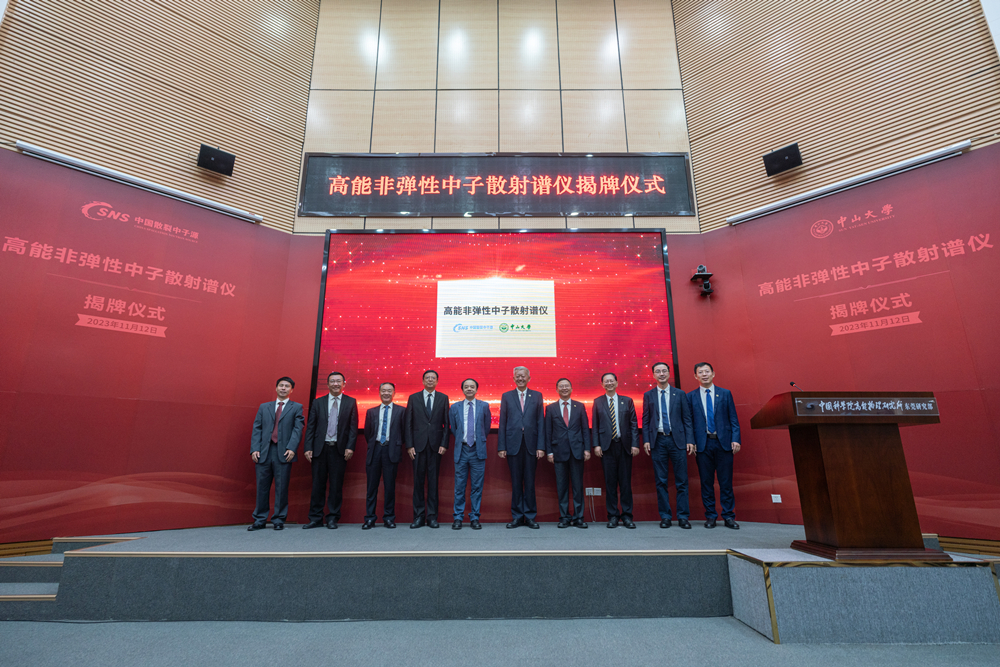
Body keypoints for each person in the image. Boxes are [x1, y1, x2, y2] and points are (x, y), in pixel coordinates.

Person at [688, 362, 742, 529]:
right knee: (706, 482)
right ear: (695, 376)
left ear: (713, 374)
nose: (704, 375)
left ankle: (728, 516)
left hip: (723, 443)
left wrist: (736, 439)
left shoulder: (725, 393)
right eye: (700, 372)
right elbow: (689, 423)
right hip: (703, 444)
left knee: (726, 482)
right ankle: (710, 515)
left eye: (707, 371)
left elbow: (733, 418)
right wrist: (691, 441)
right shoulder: (690, 397)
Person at [642, 362, 695, 529]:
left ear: (669, 373)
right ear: (653, 375)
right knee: (661, 481)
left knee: (682, 481)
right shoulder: (648, 395)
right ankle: (665, 516)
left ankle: (683, 517)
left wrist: (690, 440)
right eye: (658, 371)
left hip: (677, 441)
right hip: (658, 441)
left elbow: (687, 419)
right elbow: (646, 419)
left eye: (664, 371)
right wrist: (646, 440)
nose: (661, 374)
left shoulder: (680, 394)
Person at [302, 371, 358, 530]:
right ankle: (315, 518)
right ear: (327, 384)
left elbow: (353, 428)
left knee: (336, 486)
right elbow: (311, 427)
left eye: (338, 381)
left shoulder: (351, 402)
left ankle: (333, 518)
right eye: (332, 381)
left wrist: (350, 446)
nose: (335, 384)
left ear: (344, 384)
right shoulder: (318, 402)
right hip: (319, 449)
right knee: (317, 485)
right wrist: (308, 447)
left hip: (339, 450)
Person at [249, 377, 304, 531]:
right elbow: (257, 428)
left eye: (287, 386)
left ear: (291, 390)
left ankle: (279, 520)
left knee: (281, 488)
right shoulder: (264, 407)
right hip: (263, 452)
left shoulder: (296, 407)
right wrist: (255, 449)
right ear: (276, 388)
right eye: (281, 385)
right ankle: (259, 520)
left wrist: (292, 448)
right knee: (262, 487)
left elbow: (298, 429)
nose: (283, 388)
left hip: (284, 453)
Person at [497, 366, 546, 529]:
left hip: (532, 445)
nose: (520, 378)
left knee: (530, 482)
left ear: (529, 378)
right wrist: (501, 446)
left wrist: (541, 446)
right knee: (516, 482)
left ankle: (530, 516)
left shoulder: (537, 395)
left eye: (523, 376)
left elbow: (540, 422)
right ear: (513, 379)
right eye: (517, 376)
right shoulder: (506, 396)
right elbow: (503, 422)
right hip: (513, 444)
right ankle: (517, 516)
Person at [591, 372, 641, 529]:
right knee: (610, 483)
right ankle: (612, 516)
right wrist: (596, 445)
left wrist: (635, 444)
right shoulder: (598, 402)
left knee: (625, 483)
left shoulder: (627, 401)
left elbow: (633, 424)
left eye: (611, 381)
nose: (609, 383)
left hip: (625, 446)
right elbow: (595, 425)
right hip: (607, 447)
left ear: (617, 383)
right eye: (606, 381)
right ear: (602, 384)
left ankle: (627, 516)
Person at [404, 370, 449, 529]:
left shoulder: (443, 398)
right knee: (418, 482)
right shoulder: (413, 398)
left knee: (433, 482)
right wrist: (409, 445)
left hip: (436, 447)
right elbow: (408, 423)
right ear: (423, 381)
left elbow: (446, 424)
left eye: (433, 378)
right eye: (427, 378)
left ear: (437, 381)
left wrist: (444, 444)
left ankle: (432, 517)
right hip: (417, 446)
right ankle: (418, 516)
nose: (430, 380)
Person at [545, 378, 591, 528]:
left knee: (578, 486)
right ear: (557, 389)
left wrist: (587, 449)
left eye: (567, 386)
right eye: (561, 386)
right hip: (558, 452)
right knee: (562, 486)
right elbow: (548, 432)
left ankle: (578, 518)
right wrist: (549, 452)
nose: (564, 388)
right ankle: (564, 517)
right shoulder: (550, 408)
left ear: (571, 388)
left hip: (577, 451)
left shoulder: (580, 406)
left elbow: (585, 429)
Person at [449, 378, 491, 530]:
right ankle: (458, 518)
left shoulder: (484, 406)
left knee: (477, 487)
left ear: (476, 389)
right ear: (462, 389)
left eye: (472, 387)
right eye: (466, 387)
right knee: (459, 487)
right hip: (462, 450)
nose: (469, 389)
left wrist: (477, 440)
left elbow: (486, 428)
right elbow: (454, 428)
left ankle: (474, 518)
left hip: (477, 451)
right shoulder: (455, 407)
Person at [362, 382, 405, 529]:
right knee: (371, 487)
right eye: (383, 390)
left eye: (389, 391)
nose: (386, 393)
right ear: (379, 393)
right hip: (374, 451)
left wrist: (394, 445)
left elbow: (404, 432)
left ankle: (389, 518)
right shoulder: (371, 412)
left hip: (391, 451)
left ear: (394, 393)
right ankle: (369, 518)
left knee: (389, 487)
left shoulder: (401, 411)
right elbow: (368, 433)